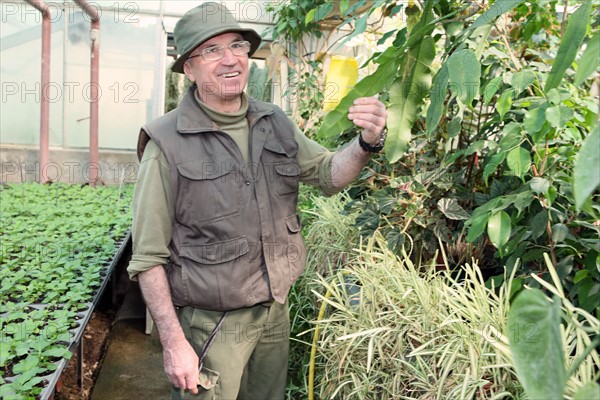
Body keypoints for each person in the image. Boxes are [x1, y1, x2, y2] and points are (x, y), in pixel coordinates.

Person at [127, 2, 387, 399]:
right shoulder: (166, 143)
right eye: (211, 50)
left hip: (273, 312)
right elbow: (148, 257)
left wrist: (367, 142)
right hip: (211, 323)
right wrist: (175, 343)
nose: (230, 59)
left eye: (237, 46)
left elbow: (328, 174)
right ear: (189, 69)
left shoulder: (273, 121)